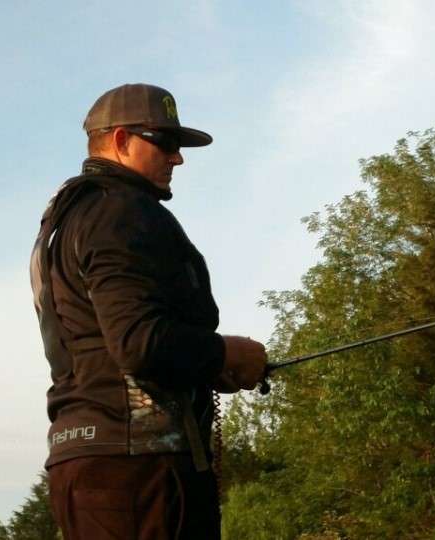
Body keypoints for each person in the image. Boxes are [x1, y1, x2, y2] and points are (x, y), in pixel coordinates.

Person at [29, 83, 268, 539]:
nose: (177, 158)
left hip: (86, 464)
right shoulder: (120, 211)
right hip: (141, 475)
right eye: (165, 142)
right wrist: (227, 354)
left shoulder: (65, 220)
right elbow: (140, 343)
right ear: (121, 140)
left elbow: (108, 343)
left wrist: (201, 368)